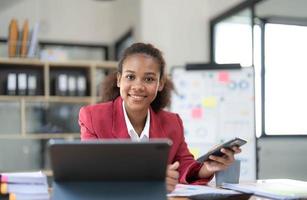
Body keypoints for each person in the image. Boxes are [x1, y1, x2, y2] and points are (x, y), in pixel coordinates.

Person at [78, 42, 241, 192]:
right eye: (130, 77)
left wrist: (208, 168)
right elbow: (92, 171)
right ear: (119, 80)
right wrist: (149, 180)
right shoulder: (92, 117)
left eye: (149, 79)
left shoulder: (172, 123)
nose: (138, 86)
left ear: (160, 84)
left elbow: (183, 165)